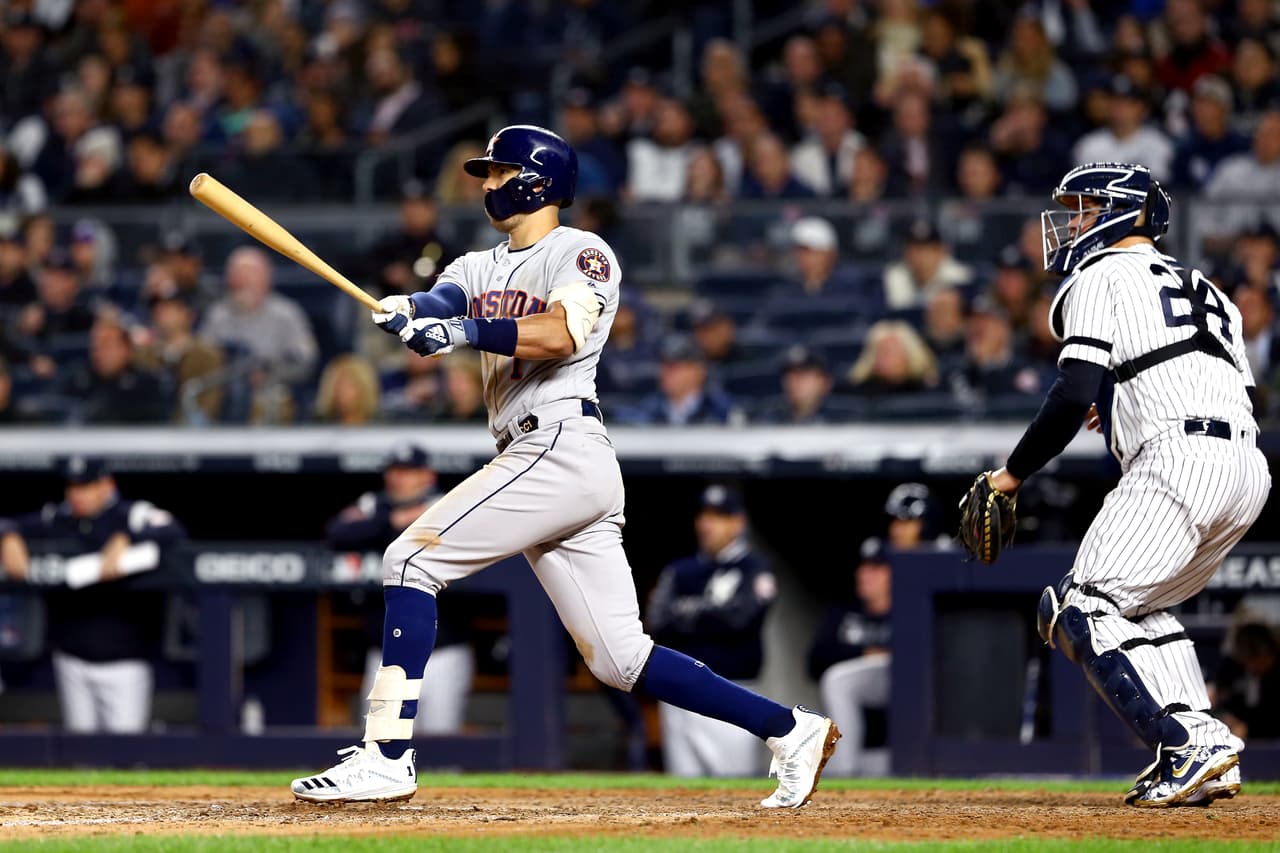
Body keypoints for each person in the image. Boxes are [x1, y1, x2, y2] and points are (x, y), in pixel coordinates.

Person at [291, 125, 839, 806]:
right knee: (620, 658)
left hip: (559, 444)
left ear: (539, 180)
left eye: (499, 172)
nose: (488, 183)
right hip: (541, 457)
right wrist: (414, 313)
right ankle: (789, 728)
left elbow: (561, 332)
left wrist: (457, 333)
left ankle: (386, 754)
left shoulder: (582, 252)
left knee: (409, 559)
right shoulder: (475, 265)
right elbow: (444, 302)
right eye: (487, 174)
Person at [980, 162, 1269, 807]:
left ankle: (1189, 740)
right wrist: (1117, 397)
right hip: (1247, 468)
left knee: (1079, 605)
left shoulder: (1101, 274)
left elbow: (1071, 390)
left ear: (1122, 211)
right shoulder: (1210, 289)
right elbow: (1247, 395)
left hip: (1176, 458)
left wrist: (1010, 476)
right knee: (1139, 605)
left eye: (1085, 208)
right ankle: (1208, 753)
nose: (1074, 222)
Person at [0, 456, 186, 733]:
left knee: (125, 751)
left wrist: (126, 538)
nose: (78, 495)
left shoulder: (131, 514)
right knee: (79, 754)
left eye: (86, 486)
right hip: (71, 658)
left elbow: (172, 530)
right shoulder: (57, 517)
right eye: (73, 487)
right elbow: (9, 522)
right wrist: (9, 537)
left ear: (106, 485)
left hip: (125, 662)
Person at [326, 443, 473, 735]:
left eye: (408, 472)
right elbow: (338, 532)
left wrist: (409, 523)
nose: (399, 478)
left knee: (442, 744)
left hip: (443, 650)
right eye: (395, 471)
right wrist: (391, 521)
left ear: (427, 475)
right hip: (384, 652)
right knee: (379, 739)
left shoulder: (447, 504)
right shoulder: (374, 504)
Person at [646, 485, 779, 777]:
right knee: (682, 789)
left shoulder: (755, 567)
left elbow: (740, 620)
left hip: (733, 688)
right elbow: (658, 620)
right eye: (705, 516)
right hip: (679, 692)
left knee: (733, 789)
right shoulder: (681, 570)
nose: (707, 524)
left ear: (737, 523)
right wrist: (712, 613)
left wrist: (688, 613)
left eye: (718, 516)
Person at [808, 538, 892, 777]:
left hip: (895, 748)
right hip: (852, 749)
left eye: (876, 568)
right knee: (838, 679)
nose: (865, 574)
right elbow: (814, 662)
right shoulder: (843, 613)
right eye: (863, 567)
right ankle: (846, 769)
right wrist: (863, 653)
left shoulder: (911, 613)